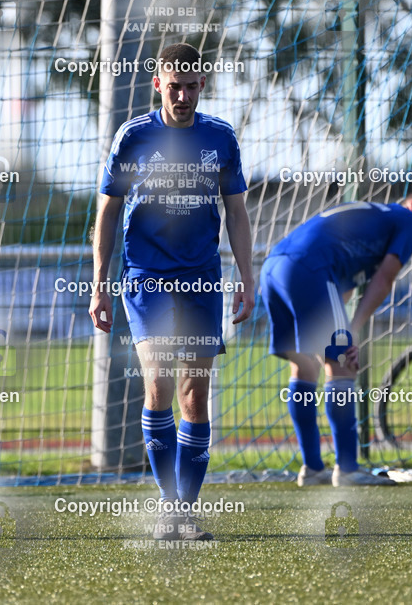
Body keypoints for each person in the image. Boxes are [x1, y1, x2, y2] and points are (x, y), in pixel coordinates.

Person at [90, 43, 254, 542]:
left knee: (194, 393)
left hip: (203, 280)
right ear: (157, 83)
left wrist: (247, 276)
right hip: (146, 278)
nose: (182, 95)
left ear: (202, 85)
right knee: (159, 384)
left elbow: (237, 213)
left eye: (191, 86)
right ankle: (170, 506)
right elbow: (108, 211)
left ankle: (185, 509)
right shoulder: (134, 136)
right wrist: (99, 284)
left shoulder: (221, 137)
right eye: (173, 85)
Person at [260, 193, 412, 486]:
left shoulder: (371, 226)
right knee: (343, 365)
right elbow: (385, 279)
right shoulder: (408, 221)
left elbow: (342, 290)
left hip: (274, 267)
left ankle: (312, 469)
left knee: (306, 366)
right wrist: (351, 333)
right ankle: (347, 469)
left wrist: (341, 334)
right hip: (311, 269)